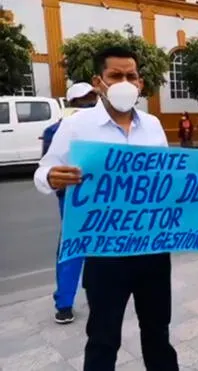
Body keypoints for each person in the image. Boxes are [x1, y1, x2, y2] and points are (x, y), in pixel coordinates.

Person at [33, 46, 198, 371]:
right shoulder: (78, 126)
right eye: (116, 76)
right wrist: (52, 176)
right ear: (99, 81)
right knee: (104, 338)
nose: (125, 81)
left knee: (157, 333)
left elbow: (168, 179)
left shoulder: (151, 126)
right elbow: (42, 171)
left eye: (131, 76)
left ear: (140, 81)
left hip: (152, 252)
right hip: (104, 254)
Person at [41, 82, 98, 325]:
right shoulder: (58, 130)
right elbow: (49, 169)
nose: (88, 104)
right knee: (78, 247)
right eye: (84, 100)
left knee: (81, 247)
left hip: (91, 197)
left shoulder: (55, 129)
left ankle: (71, 302)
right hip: (79, 197)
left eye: (90, 99)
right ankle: (68, 302)